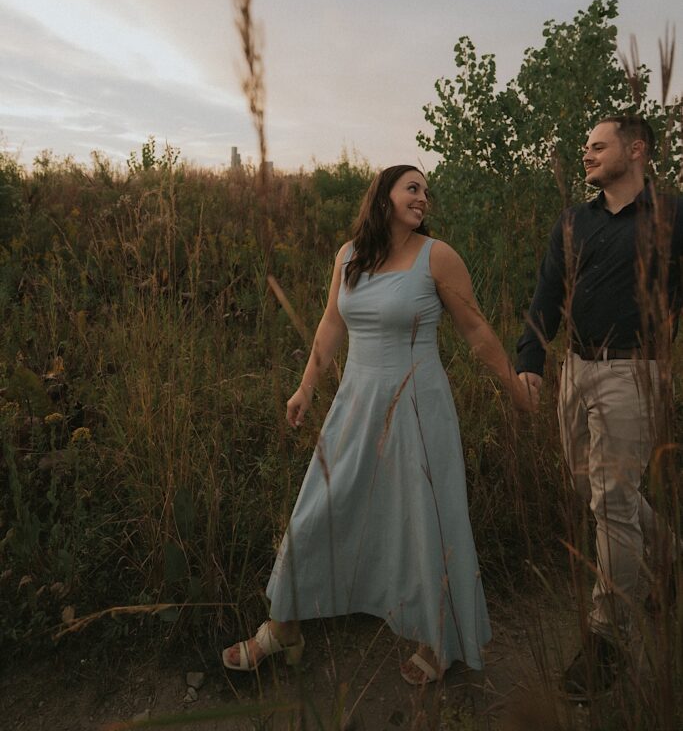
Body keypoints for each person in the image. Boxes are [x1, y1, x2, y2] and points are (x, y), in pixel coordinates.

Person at [223, 165, 539, 685]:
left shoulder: (437, 257)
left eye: (426, 192)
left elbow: (476, 329)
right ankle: (284, 628)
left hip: (418, 405)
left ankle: (439, 639)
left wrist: (514, 387)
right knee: (317, 510)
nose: (423, 198)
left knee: (421, 518)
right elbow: (331, 322)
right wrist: (306, 386)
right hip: (355, 403)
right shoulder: (348, 255)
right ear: (384, 196)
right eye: (412, 187)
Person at [517, 115, 682, 701]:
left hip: (635, 370)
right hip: (576, 369)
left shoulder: (673, 216)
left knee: (611, 499)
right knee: (599, 491)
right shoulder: (574, 221)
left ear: (636, 150)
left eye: (597, 145)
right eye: (584, 145)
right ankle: (668, 561)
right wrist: (531, 360)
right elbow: (547, 293)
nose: (586, 153)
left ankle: (606, 639)